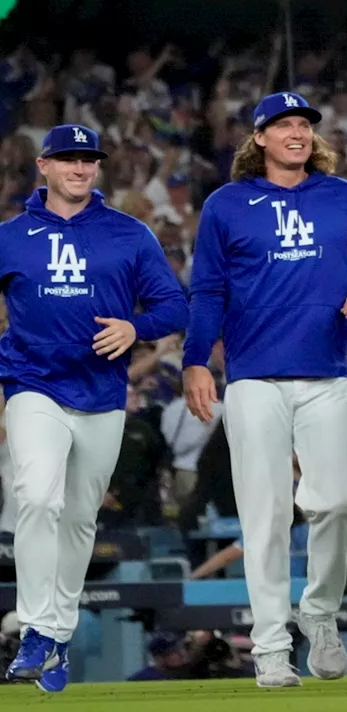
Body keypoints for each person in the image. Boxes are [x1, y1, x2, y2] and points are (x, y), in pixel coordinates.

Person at [182, 91, 347, 687]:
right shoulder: (227, 204)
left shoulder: (342, 196)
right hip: (252, 380)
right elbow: (209, 291)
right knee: (264, 517)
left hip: (325, 374)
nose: (297, 132)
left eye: (304, 124)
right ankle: (271, 645)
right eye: (284, 125)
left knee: (335, 503)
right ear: (260, 138)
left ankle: (319, 614)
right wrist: (196, 361)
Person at [0, 124, 188, 692]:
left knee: (81, 518)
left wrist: (137, 327)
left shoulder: (129, 234)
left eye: (89, 160)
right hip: (32, 385)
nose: (80, 169)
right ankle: (36, 629)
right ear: (44, 166)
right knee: (36, 496)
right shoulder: (10, 236)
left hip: (103, 395)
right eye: (68, 159)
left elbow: (174, 306)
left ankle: (56, 636)